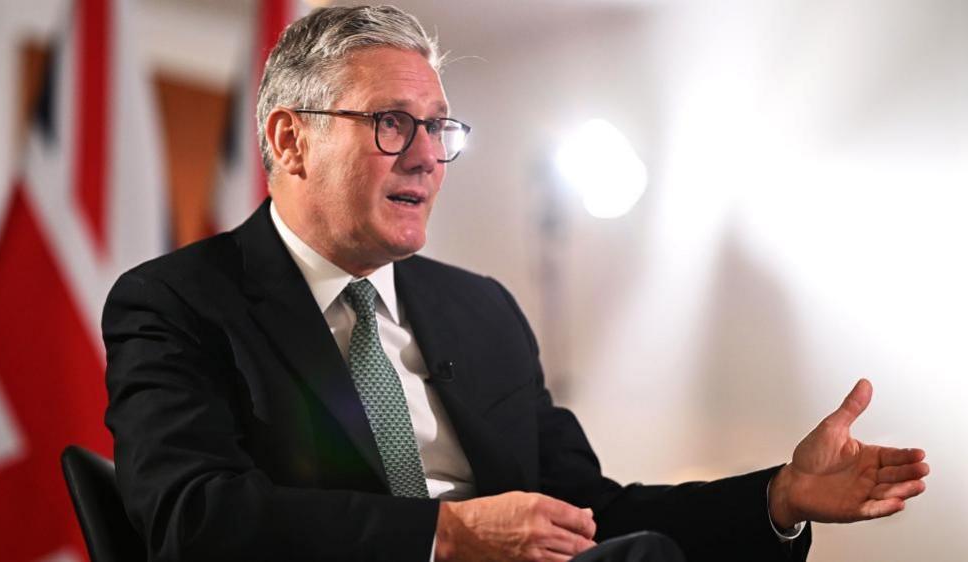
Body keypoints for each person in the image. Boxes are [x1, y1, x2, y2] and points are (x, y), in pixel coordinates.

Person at [102, 6, 929, 562]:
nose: (428, 154)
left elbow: (586, 510)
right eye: (392, 123)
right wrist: (446, 533)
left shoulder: (479, 309)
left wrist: (777, 498)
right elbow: (192, 517)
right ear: (290, 140)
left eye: (440, 127)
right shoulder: (175, 304)